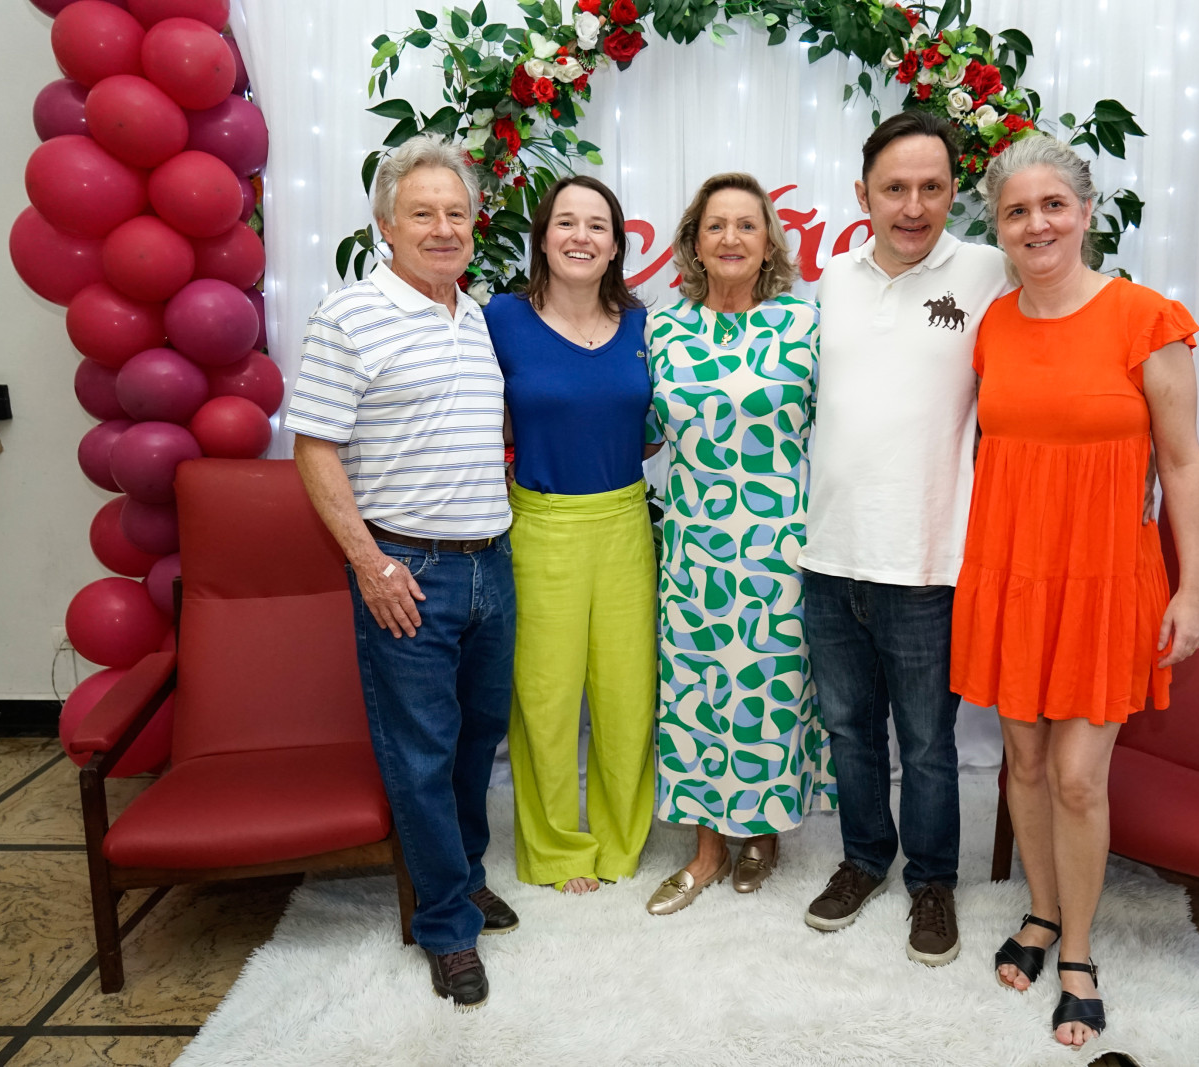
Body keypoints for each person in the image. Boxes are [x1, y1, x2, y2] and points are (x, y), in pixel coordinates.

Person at [953, 134, 1199, 1049]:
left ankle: (1079, 951)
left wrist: (1193, 589)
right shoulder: (992, 325)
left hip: (1106, 579)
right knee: (1023, 763)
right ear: (998, 226)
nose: (1037, 224)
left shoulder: (1146, 319)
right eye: (1017, 211)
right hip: (1013, 574)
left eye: (1053, 205)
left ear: (1087, 211)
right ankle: (1041, 909)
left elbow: (1183, 464)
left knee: (1074, 775)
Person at [284, 133, 519, 1011]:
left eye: (457, 212)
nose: (443, 227)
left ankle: (461, 877)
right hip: (406, 570)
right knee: (422, 754)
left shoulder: (479, 315)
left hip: (492, 564)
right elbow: (314, 449)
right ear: (386, 224)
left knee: (476, 741)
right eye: (423, 213)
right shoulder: (349, 316)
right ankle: (445, 927)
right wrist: (369, 563)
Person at [800, 110, 1013, 967]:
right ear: (864, 195)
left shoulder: (990, 270)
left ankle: (932, 881)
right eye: (895, 188)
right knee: (849, 730)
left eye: (932, 187)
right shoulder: (832, 281)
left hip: (928, 561)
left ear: (955, 191)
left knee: (926, 742)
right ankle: (863, 859)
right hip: (829, 554)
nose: (914, 206)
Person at [643, 172, 836, 915]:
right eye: (715, 226)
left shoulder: (804, 325)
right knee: (694, 692)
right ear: (694, 243)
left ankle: (761, 832)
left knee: (769, 691)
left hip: (779, 545)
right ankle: (706, 849)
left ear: (768, 243)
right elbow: (642, 429)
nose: (730, 238)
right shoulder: (663, 329)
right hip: (694, 547)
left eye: (746, 225)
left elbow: (844, 425)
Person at [482, 176, 656, 896]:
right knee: (545, 700)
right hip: (541, 526)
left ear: (615, 246)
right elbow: (482, 415)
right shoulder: (501, 318)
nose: (581, 236)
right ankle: (556, 848)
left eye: (597, 225)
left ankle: (620, 839)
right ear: (543, 237)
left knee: (627, 697)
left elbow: (651, 428)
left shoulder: (644, 326)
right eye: (566, 222)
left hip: (624, 524)